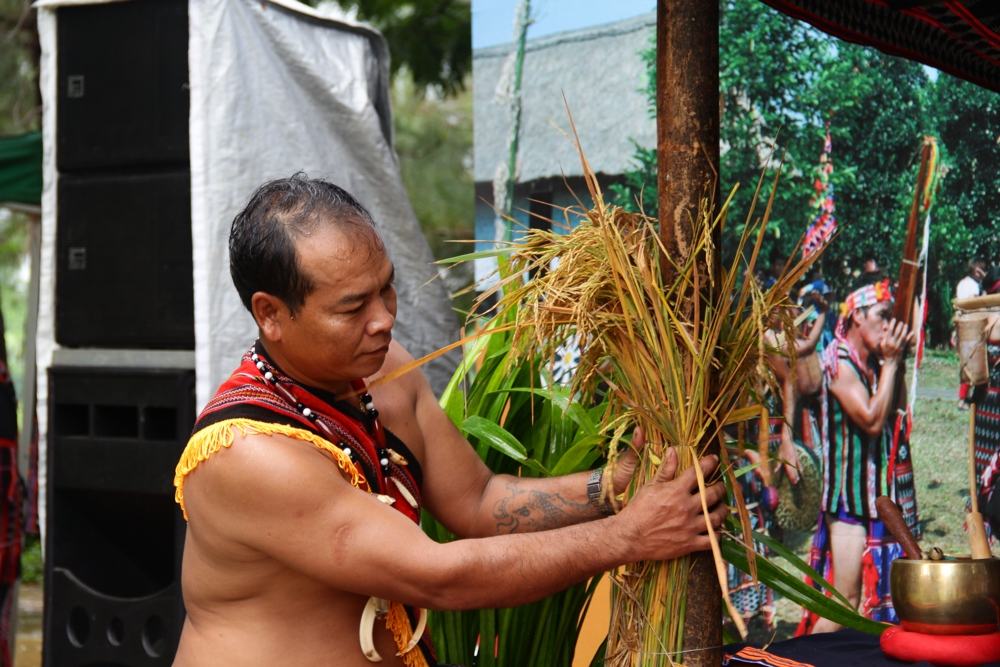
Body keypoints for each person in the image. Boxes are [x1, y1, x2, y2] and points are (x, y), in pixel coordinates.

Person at [171, 175, 729, 666]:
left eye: (386, 288)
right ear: (270, 313)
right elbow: (435, 575)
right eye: (352, 306)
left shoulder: (387, 373)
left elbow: (480, 501)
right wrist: (629, 536)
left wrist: (609, 488)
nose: (385, 318)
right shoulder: (247, 452)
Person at [797, 279, 915, 634]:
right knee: (844, 602)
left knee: (875, 604)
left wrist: (898, 362)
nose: (888, 322)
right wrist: (892, 365)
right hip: (847, 504)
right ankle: (807, 659)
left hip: (873, 499)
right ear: (858, 316)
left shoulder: (872, 362)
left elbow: (896, 410)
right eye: (882, 315)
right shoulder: (840, 361)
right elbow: (872, 420)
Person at [956, 260, 988, 409]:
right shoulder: (969, 285)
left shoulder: (967, 283)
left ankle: (968, 398)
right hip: (969, 326)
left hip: (970, 326)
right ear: (976, 270)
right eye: (981, 270)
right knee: (969, 364)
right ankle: (963, 399)